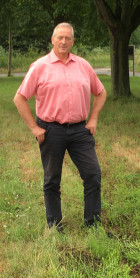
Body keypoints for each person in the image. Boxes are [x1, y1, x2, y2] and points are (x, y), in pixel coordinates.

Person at [13, 22, 107, 230]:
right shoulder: (39, 66)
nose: (64, 42)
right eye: (60, 38)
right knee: (52, 179)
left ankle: (92, 224)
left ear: (73, 41)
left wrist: (93, 119)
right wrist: (34, 128)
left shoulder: (83, 65)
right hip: (50, 130)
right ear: (52, 40)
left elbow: (100, 92)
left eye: (68, 38)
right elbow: (19, 98)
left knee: (92, 174)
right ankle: (54, 224)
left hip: (80, 130)